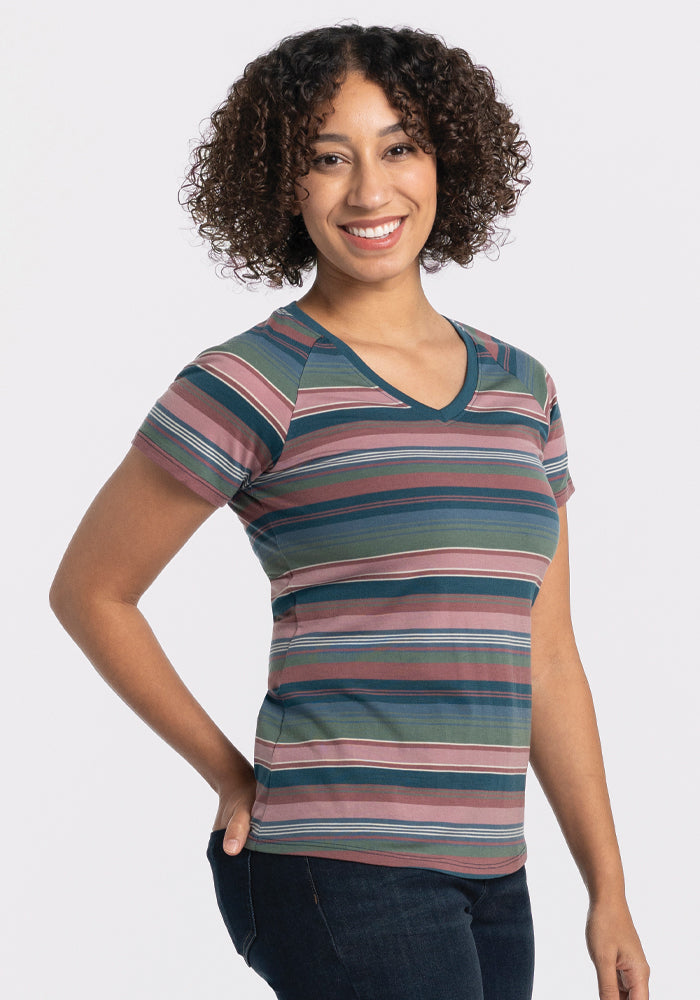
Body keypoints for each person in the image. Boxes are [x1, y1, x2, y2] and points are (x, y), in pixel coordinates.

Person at [49, 23, 650, 1000]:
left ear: (447, 158)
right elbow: (91, 591)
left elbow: (546, 656)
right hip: (336, 867)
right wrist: (231, 773)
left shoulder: (520, 388)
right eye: (329, 159)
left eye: (398, 147)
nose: (369, 192)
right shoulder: (255, 379)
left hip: (496, 876)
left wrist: (608, 888)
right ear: (285, 183)